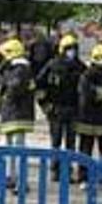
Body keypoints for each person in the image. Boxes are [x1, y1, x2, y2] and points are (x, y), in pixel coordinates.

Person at [36, 34, 86, 180]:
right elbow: (39, 86)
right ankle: (55, 169)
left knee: (71, 143)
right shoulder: (52, 66)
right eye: (69, 49)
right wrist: (45, 106)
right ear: (62, 50)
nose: (72, 52)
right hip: (56, 109)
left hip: (73, 110)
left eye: (74, 48)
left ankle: (68, 170)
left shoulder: (80, 67)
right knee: (56, 141)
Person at [0, 38, 36, 193]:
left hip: (18, 114)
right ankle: (10, 177)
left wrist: (5, 97)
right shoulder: (15, 69)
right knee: (8, 147)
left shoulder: (21, 70)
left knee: (18, 149)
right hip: (12, 114)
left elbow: (14, 88)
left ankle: (21, 181)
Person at [75, 44, 102, 186]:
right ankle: (84, 177)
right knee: (86, 151)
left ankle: (101, 176)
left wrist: (101, 96)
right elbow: (86, 97)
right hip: (88, 119)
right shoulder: (86, 77)